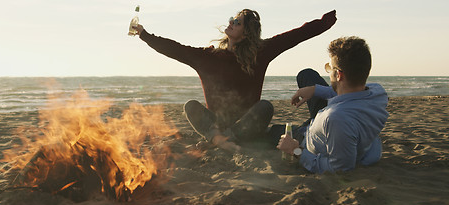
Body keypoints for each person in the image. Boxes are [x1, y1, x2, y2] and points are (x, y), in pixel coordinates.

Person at [132, 9, 337, 151]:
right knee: (191, 106)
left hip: (249, 125)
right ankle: (222, 138)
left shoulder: (260, 53)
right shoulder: (207, 57)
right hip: (217, 124)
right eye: (232, 19)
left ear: (247, 32)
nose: (231, 23)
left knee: (265, 107)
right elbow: (173, 49)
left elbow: (295, 36)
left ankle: (220, 141)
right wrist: (144, 34)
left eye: (237, 22)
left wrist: (325, 22)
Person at [277, 36, 389, 173]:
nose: (328, 71)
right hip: (327, 121)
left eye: (329, 68)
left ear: (339, 75)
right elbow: (350, 92)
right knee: (306, 75)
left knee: (274, 133)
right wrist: (315, 90)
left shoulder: (337, 119)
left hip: (307, 138)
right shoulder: (378, 92)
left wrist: (295, 150)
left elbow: (339, 168)